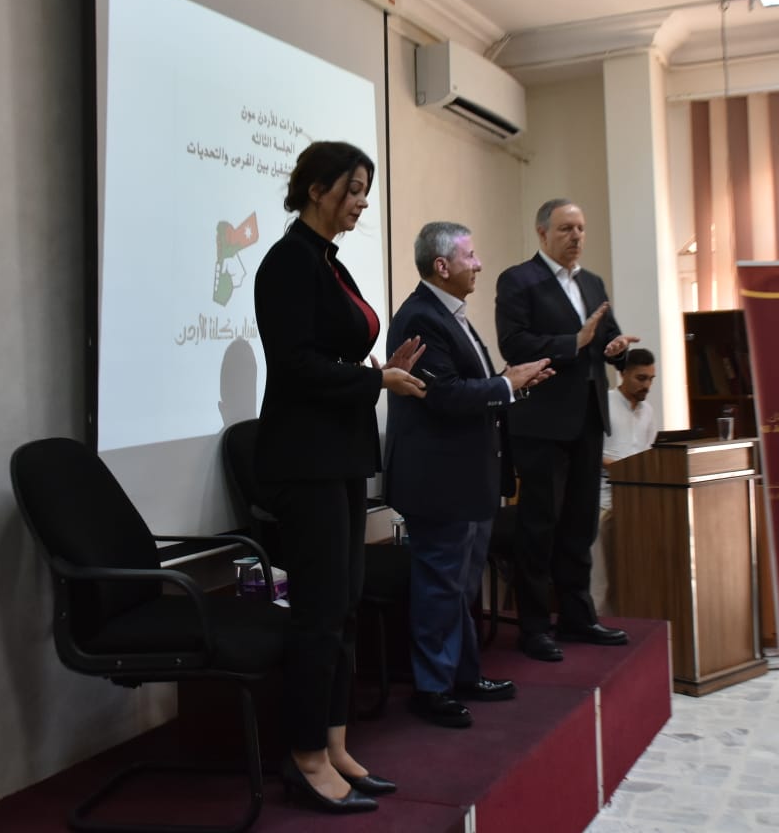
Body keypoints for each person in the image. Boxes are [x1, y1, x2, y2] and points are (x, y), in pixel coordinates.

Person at [254, 141, 426, 814]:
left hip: (341, 454)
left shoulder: (328, 261)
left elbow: (335, 355)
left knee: (344, 605)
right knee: (319, 612)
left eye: (365, 192)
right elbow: (295, 366)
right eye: (353, 190)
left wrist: (383, 369)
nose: (361, 203)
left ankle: (334, 744)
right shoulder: (287, 262)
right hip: (305, 462)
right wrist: (375, 381)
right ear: (317, 188)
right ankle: (303, 758)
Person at [383, 222, 554, 727]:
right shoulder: (420, 317)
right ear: (442, 266)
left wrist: (515, 384)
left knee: (460, 587)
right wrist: (506, 384)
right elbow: (442, 395)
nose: (478, 264)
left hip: (469, 478)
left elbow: (472, 387)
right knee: (440, 587)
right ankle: (432, 689)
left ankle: (462, 675)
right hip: (440, 482)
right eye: (470, 256)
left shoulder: (450, 312)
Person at [495, 198, 638, 662]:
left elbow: (609, 340)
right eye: (565, 229)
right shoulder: (518, 280)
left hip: (588, 420)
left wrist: (617, 349)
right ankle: (535, 627)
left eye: (580, 228)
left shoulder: (592, 283)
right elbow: (514, 344)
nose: (576, 236)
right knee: (539, 527)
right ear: (542, 233)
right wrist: (572, 343)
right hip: (541, 423)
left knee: (580, 525)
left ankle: (578, 617)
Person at [592, 348, 658, 616]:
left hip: (636, 501)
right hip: (602, 499)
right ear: (624, 374)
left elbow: (648, 451)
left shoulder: (648, 411)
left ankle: (633, 621)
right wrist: (620, 468)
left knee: (634, 571)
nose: (647, 385)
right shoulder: (604, 403)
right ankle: (597, 622)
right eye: (641, 378)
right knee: (599, 577)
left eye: (651, 379)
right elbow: (589, 452)